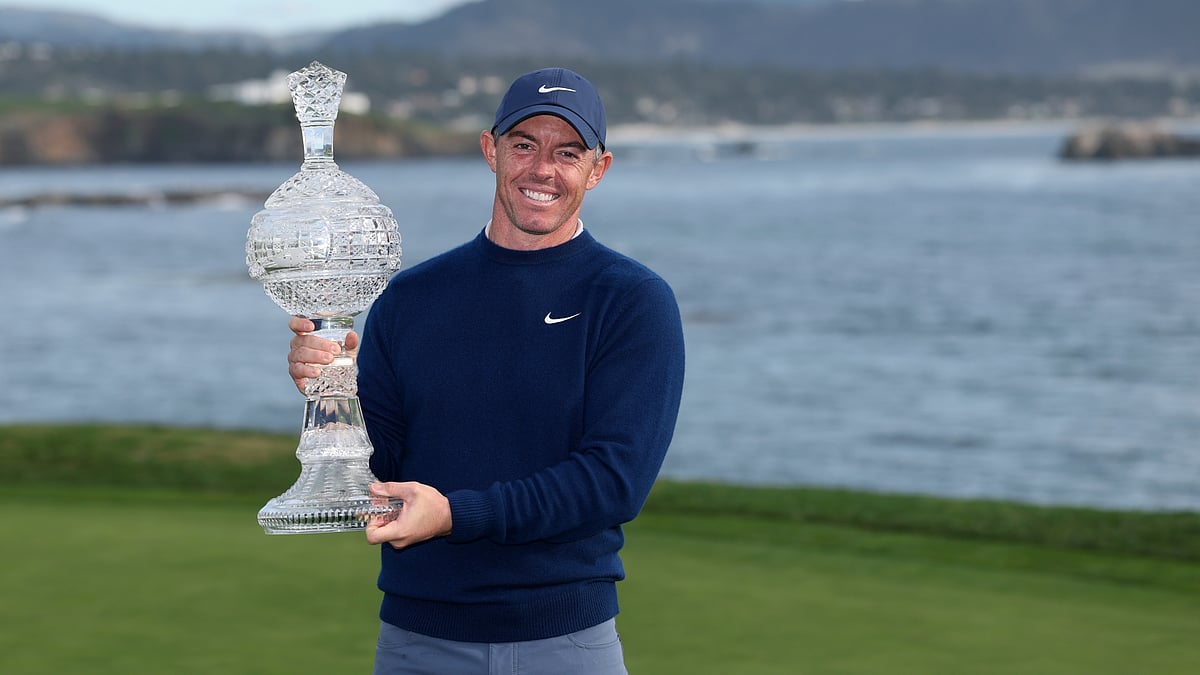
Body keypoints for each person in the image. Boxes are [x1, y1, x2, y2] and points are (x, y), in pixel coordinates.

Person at [287, 67, 685, 674]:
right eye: (524, 145)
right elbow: (379, 468)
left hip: (567, 643)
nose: (542, 169)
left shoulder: (630, 299)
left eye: (567, 153)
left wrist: (455, 515)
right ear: (490, 150)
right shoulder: (411, 298)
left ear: (597, 169)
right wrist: (330, 392)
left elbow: (614, 481)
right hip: (415, 642)